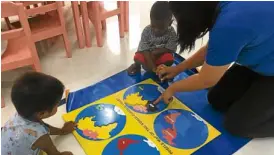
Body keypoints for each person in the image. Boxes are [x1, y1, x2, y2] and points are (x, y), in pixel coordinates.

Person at [156, 1, 274, 138]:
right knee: (216, 99)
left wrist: (172, 88)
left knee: (238, 125)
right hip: (260, 59)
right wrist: (178, 69)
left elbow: (207, 79)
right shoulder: (222, 10)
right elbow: (212, 50)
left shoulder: (229, 25)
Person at [1, 72, 76, 155]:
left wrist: (62, 131)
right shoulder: (41, 137)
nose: (58, 105)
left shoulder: (21, 115)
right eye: (57, 104)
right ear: (42, 113)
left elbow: (43, 127)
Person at [127, 1, 177, 76]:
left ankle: (163, 70)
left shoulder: (171, 32)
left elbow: (171, 48)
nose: (156, 30)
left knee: (169, 58)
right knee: (137, 57)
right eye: (153, 26)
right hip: (147, 57)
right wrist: (153, 68)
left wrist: (158, 52)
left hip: (160, 59)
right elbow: (144, 50)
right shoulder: (146, 31)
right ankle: (137, 66)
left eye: (160, 28)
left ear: (169, 23)